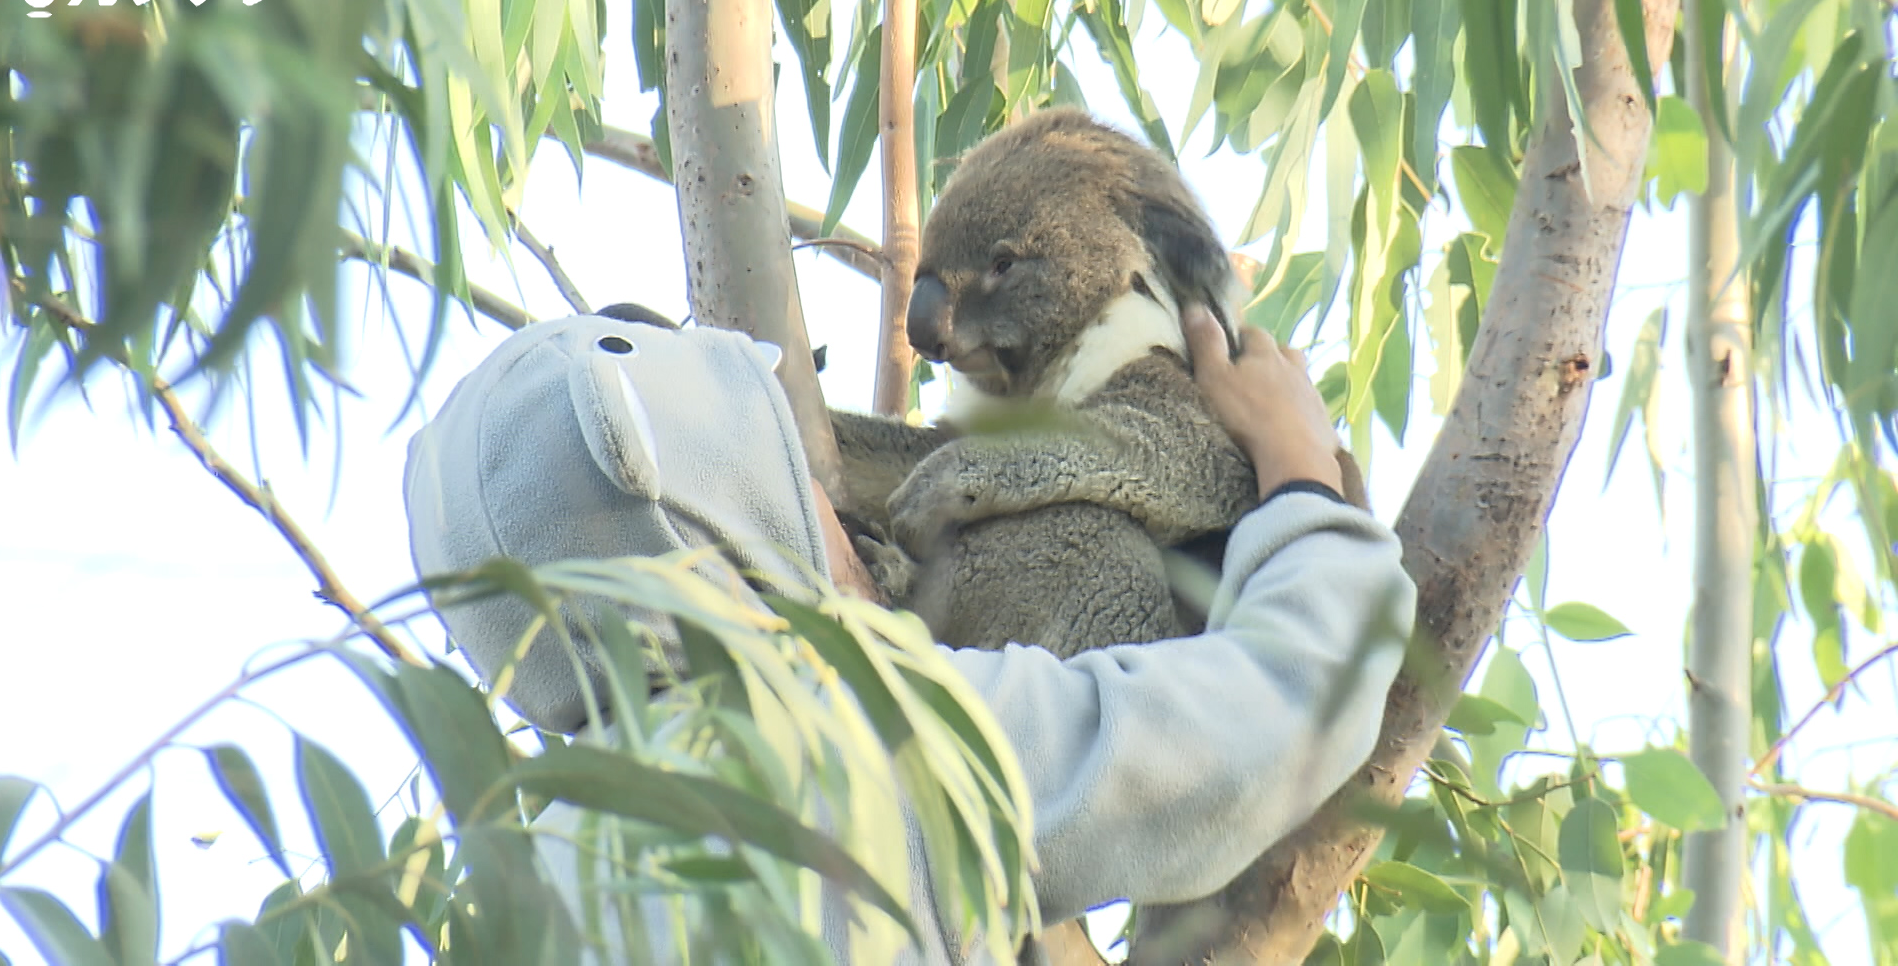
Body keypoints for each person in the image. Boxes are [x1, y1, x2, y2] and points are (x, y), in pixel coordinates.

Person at [401, 304, 1416, 965]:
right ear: (727, 520)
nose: (844, 514)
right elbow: (1281, 710)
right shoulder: (866, 743)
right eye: (802, 487)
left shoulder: (528, 894)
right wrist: (1295, 462)